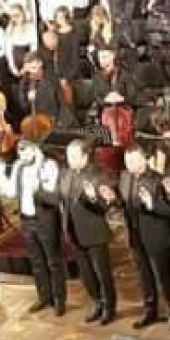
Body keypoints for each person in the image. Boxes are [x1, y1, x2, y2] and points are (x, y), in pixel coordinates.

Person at [40, 139, 117, 324]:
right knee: (86, 274)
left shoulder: (98, 174)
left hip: (94, 233)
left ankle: (109, 307)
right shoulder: (66, 174)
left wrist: (93, 198)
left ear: (85, 156)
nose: (70, 159)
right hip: (74, 233)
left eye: (75, 156)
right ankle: (97, 302)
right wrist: (37, 190)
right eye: (68, 156)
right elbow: (58, 197)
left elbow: (106, 207)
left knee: (102, 274)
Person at [0, 140, 66, 315]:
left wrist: (37, 188)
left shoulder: (47, 165)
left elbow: (54, 195)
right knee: (36, 261)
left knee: (53, 261)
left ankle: (59, 299)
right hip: (27, 220)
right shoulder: (19, 167)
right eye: (20, 152)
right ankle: (44, 296)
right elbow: (10, 191)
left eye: (25, 151)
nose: (22, 155)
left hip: (45, 219)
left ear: (34, 150)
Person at [117, 144, 170, 332]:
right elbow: (123, 202)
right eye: (127, 161)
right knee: (144, 276)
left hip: (156, 236)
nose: (130, 164)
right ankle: (150, 310)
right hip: (135, 236)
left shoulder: (158, 179)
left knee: (163, 277)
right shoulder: (125, 177)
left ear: (144, 159)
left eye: (133, 160)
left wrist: (152, 205)